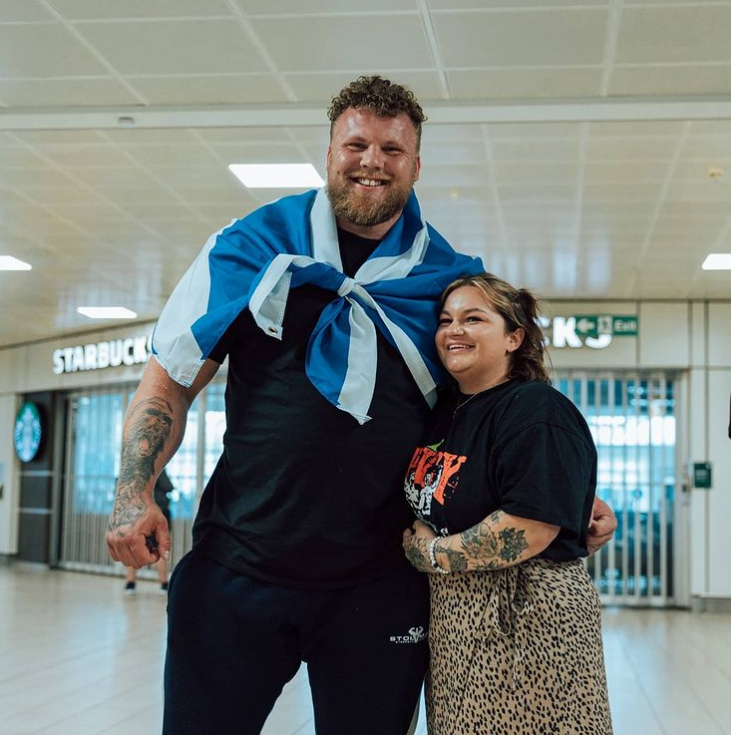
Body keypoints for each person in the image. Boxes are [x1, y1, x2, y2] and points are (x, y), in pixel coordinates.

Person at [105, 76, 616, 735]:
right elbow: (168, 380)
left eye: (391, 149)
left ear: (415, 165)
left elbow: (481, 412)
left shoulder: (445, 280)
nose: (372, 161)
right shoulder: (250, 246)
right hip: (237, 566)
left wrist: (557, 486)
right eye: (356, 145)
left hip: (380, 583)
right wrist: (132, 488)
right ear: (329, 154)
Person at [402, 273, 613, 734]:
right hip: (456, 617)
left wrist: (430, 553)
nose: (454, 330)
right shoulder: (446, 410)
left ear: (514, 338)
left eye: (473, 318)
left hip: (526, 615)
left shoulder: (536, 409)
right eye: (445, 320)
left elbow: (530, 527)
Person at [123, 468, 173, 596]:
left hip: (137, 512)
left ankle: (130, 583)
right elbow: (168, 486)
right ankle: (164, 584)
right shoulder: (158, 467)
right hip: (158, 512)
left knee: (134, 546)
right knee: (160, 547)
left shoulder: (132, 468)